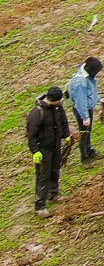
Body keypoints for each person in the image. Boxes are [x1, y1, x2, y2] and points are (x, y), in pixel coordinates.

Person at [25, 87, 70, 217]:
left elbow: (63, 121)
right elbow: (31, 135)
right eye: (59, 100)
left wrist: (66, 135)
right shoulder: (36, 113)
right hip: (43, 149)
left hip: (55, 145)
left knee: (55, 169)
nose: (61, 102)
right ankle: (40, 205)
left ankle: (53, 193)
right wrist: (35, 151)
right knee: (43, 176)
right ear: (52, 100)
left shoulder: (57, 107)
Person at [66, 56, 104, 164]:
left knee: (88, 131)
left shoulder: (87, 76)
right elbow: (80, 101)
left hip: (87, 108)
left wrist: (98, 99)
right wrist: (85, 116)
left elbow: (90, 90)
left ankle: (90, 151)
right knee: (84, 133)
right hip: (82, 110)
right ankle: (84, 157)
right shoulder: (80, 82)